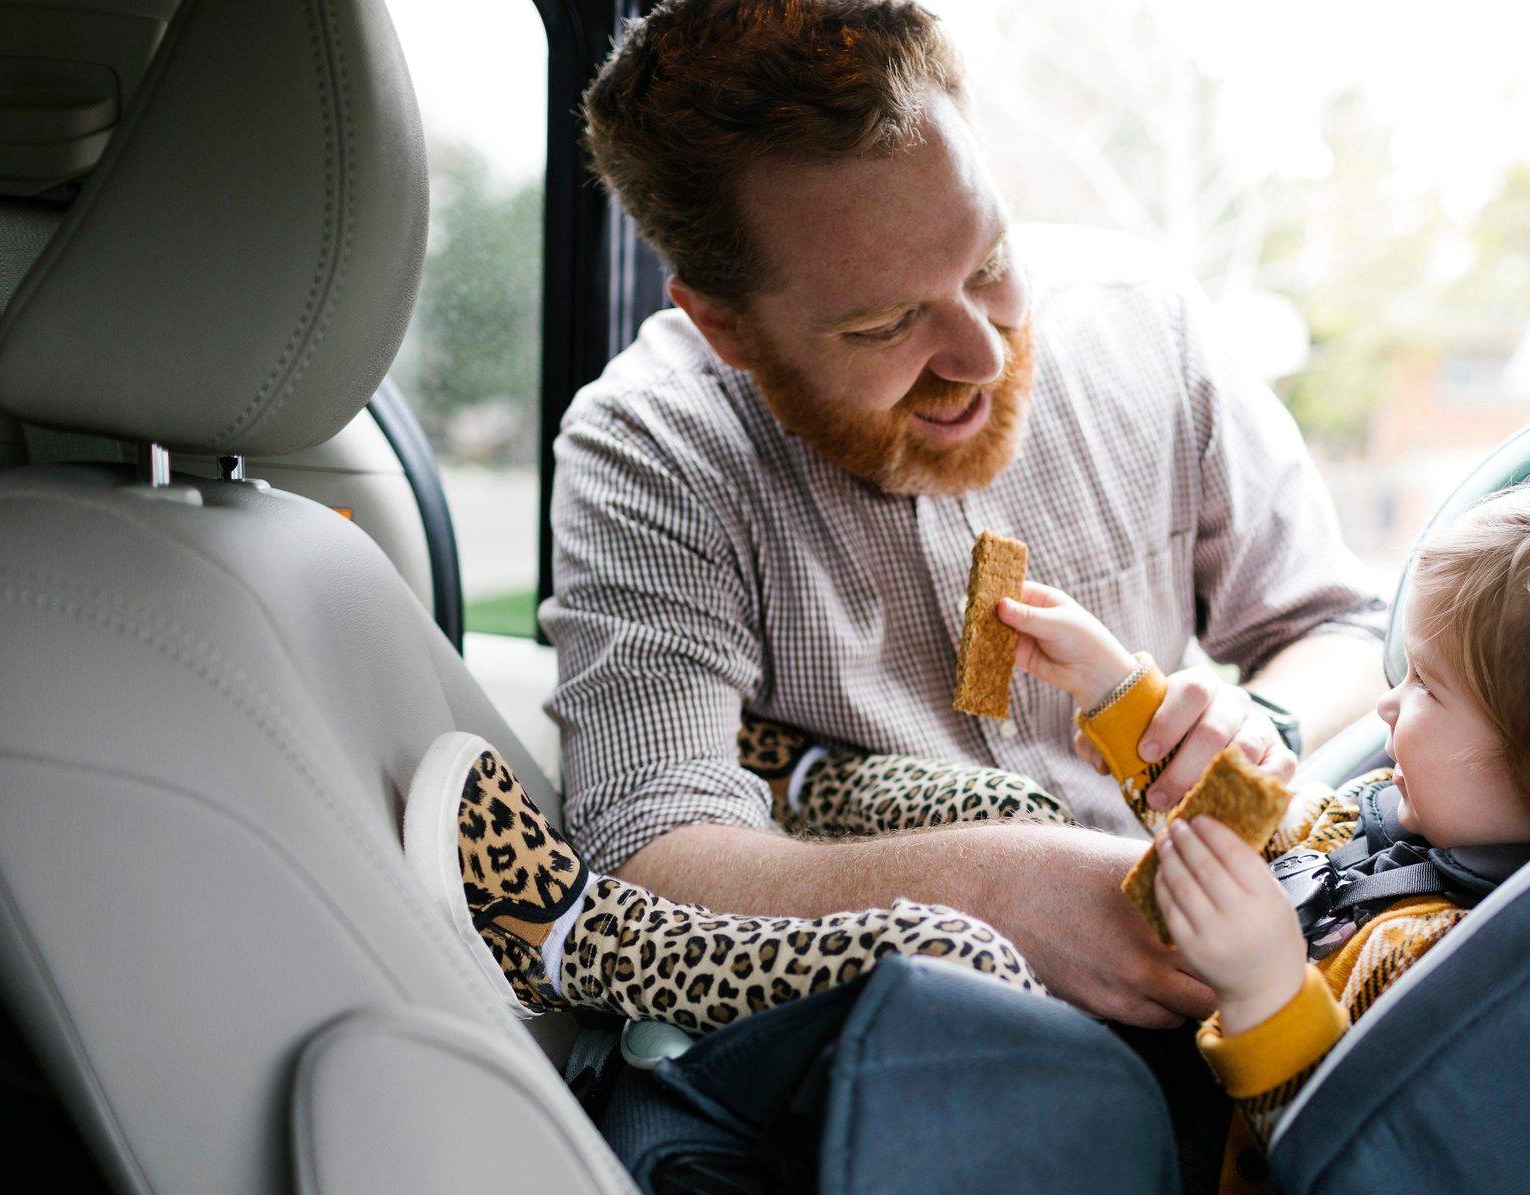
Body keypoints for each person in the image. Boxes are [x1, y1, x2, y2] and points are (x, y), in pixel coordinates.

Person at [403, 477, 1530, 1195]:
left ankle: (573, 939)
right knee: (1013, 812)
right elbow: (1267, 819)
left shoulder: (1464, 970)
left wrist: (1267, 986)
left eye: (1425, 689)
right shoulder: (1399, 828)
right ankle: (800, 782)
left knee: (962, 952)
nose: (1385, 705)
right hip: (1146, 1074)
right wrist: (1119, 690)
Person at [546, 0, 1389, 1028]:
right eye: (886, 323)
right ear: (725, 327)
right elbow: (648, 844)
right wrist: (997, 891)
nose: (983, 358)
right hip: (916, 1037)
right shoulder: (652, 449)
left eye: (988, 260)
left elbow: (1341, 627)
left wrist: (1260, 724)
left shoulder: (1148, 324)